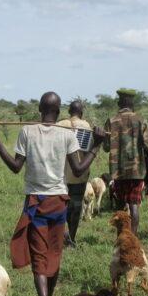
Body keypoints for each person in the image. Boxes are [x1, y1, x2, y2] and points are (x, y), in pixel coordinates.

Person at [0, 92, 104, 296]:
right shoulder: (67, 135)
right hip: (59, 202)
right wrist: (97, 145)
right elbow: (80, 169)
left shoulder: (27, 132)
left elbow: (16, 167)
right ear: (59, 112)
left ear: (39, 109)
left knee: (39, 259)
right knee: (54, 255)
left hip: (36, 203)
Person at [103, 88, 148, 234]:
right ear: (132, 103)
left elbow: (106, 147)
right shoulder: (140, 120)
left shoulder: (111, 121)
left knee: (120, 204)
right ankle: (133, 237)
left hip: (118, 170)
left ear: (120, 102)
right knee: (134, 205)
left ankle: (121, 237)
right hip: (136, 170)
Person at [57, 100, 91, 248]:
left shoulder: (59, 125)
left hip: (61, 175)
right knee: (76, 207)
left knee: (61, 207)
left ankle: (59, 237)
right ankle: (71, 238)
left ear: (69, 112)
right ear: (81, 113)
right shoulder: (86, 126)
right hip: (79, 175)